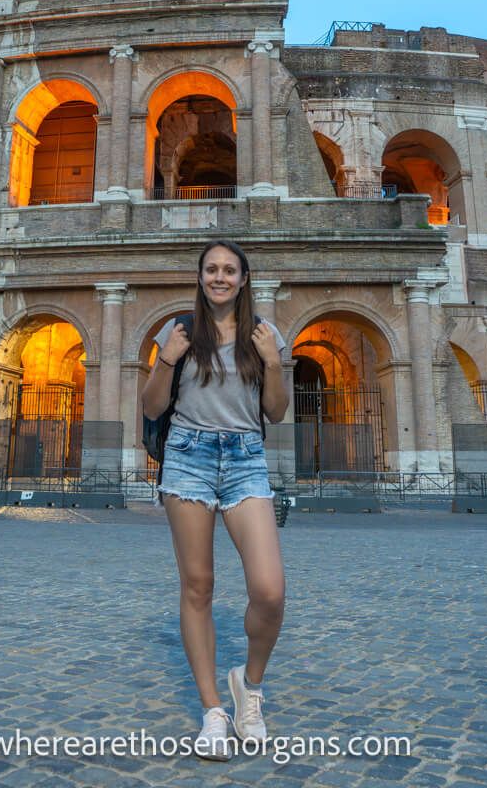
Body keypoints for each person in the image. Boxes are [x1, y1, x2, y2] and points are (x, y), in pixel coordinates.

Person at [141, 240, 289, 761]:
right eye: (211, 269)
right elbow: (154, 404)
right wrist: (166, 359)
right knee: (198, 586)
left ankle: (248, 687)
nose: (220, 277)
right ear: (200, 277)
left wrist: (273, 363)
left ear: (244, 279)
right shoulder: (178, 331)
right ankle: (212, 712)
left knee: (269, 591)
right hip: (188, 457)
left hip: (245, 459)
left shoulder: (265, 335)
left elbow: (274, 413)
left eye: (229, 270)